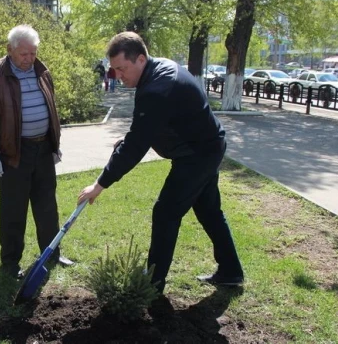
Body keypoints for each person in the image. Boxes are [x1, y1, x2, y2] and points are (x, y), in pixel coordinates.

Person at [78, 32, 244, 299]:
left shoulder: (156, 88)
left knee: (166, 212)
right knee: (209, 211)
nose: (118, 75)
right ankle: (231, 271)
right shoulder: (157, 71)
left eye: (122, 68)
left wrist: (100, 185)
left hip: (198, 154)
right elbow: (150, 126)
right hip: (205, 146)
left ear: (140, 59)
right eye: (114, 70)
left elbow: (136, 145)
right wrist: (131, 140)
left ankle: (153, 285)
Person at [0, 25, 73, 280]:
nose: (29, 59)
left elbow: (51, 109)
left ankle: (51, 253)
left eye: (33, 53)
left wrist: (54, 143)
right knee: (13, 210)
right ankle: (10, 262)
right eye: (24, 54)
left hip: (42, 150)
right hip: (12, 152)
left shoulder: (42, 71)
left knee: (47, 205)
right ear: (9, 50)